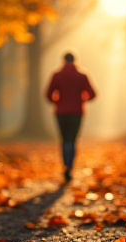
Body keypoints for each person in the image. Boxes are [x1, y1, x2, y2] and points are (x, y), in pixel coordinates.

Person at [46, 52, 96, 183]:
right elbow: (92, 94)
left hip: (61, 112)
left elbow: (48, 94)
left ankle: (65, 167)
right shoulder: (82, 76)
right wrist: (81, 99)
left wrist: (57, 102)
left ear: (63, 61)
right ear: (75, 61)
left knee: (64, 140)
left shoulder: (57, 76)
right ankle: (70, 167)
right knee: (72, 140)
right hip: (76, 112)